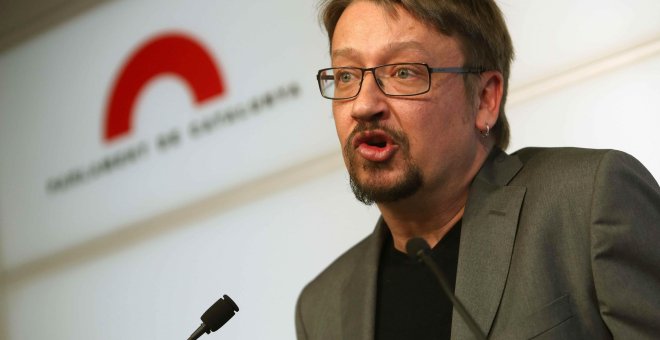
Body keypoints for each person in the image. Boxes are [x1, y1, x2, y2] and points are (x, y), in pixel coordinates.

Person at [295, 0, 660, 339]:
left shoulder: (587, 203)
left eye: (403, 72)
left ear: (485, 99)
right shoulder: (320, 309)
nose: (363, 105)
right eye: (345, 76)